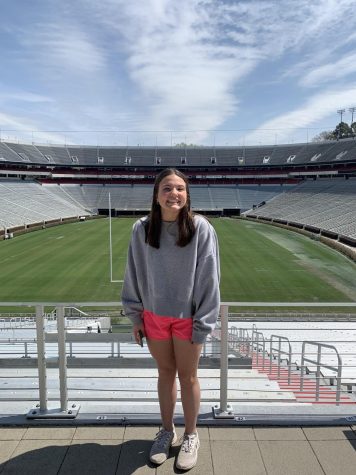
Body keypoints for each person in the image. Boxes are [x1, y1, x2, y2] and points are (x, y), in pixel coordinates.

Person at [121, 168, 220, 471]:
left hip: (188, 319)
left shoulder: (200, 228)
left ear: (187, 195)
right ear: (156, 194)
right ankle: (167, 431)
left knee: (188, 377)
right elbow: (134, 272)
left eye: (180, 188)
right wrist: (136, 316)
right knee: (165, 373)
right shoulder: (142, 229)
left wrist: (204, 321)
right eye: (167, 188)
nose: (174, 193)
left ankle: (191, 435)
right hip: (154, 317)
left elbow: (209, 279)